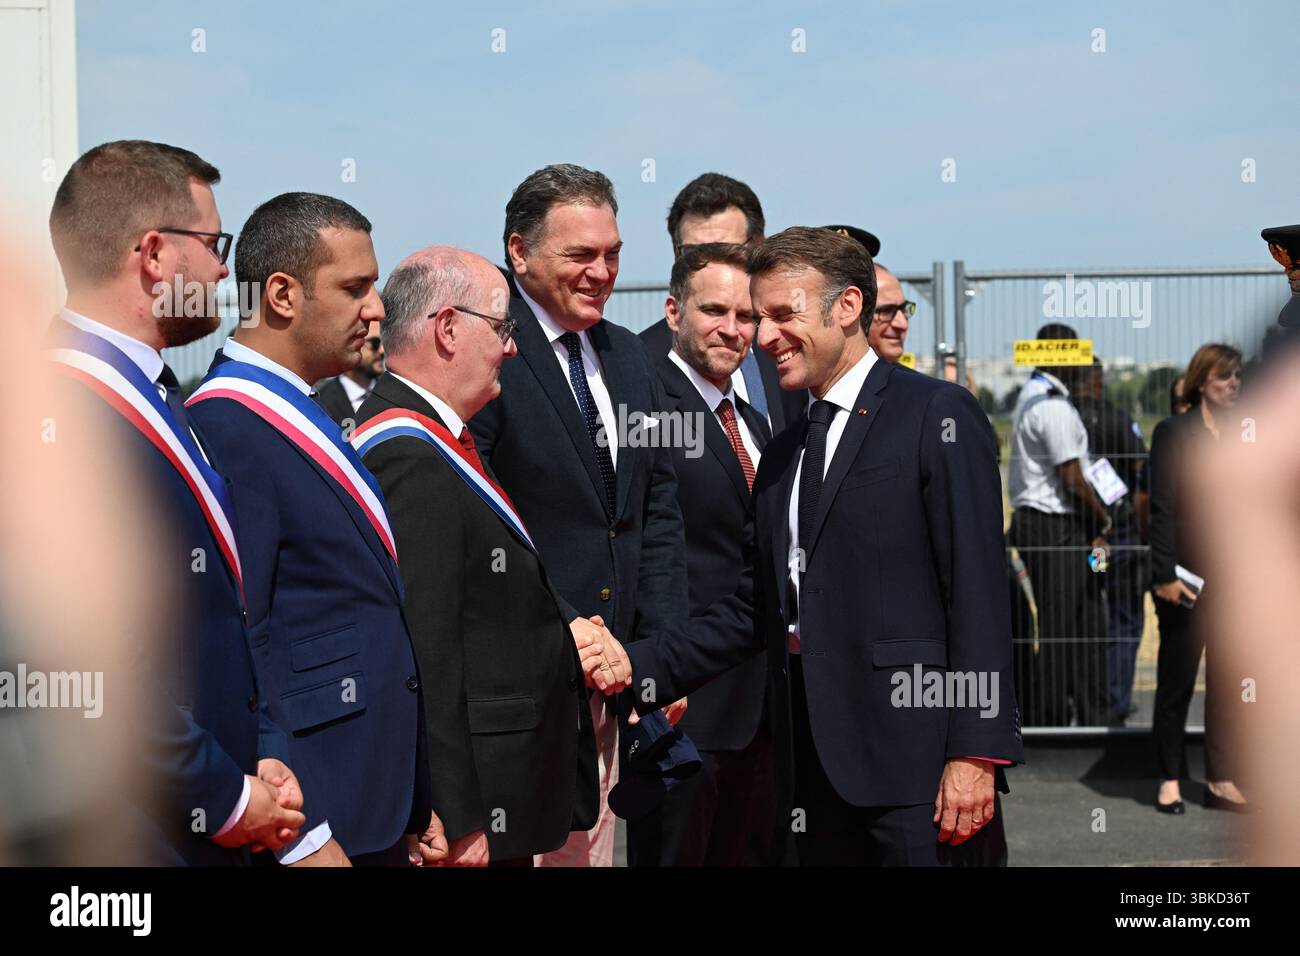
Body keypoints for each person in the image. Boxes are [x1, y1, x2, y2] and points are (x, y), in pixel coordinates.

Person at [626, 226, 1022, 866]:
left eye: (785, 314)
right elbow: (757, 607)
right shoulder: (782, 451)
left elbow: (977, 593)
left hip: (917, 774)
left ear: (847, 308)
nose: (765, 336)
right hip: (806, 775)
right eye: (761, 318)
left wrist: (975, 754)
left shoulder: (936, 415)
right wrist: (633, 666)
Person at [44, 140, 306, 864]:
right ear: (154, 254)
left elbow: (229, 606)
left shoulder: (161, 396)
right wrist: (222, 795)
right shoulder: (53, 410)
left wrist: (265, 758)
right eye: (214, 243)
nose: (226, 269)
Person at [186, 192, 438, 866]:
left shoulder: (305, 407)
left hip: (372, 796)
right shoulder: (227, 424)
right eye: (355, 287)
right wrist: (302, 832)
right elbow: (244, 640)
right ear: (282, 295)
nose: (377, 307)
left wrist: (414, 795)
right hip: (315, 808)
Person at [352, 246, 622, 866]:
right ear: (447, 328)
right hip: (474, 812)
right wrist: (457, 810)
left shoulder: (442, 438)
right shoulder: (407, 451)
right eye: (503, 328)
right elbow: (428, 647)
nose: (513, 348)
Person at [468, 164, 688, 867]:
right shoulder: (484, 355)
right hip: (523, 695)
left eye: (613, 254)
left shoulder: (629, 358)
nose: (601, 272)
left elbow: (655, 510)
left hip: (614, 692)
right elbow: (480, 522)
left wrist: (658, 656)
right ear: (519, 252)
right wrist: (570, 631)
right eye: (581, 255)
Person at [632, 243, 776, 866]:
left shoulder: (753, 418)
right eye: (714, 310)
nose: (732, 329)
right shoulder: (643, 405)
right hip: (685, 701)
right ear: (673, 311)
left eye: (746, 316)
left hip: (764, 705)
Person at [1149, 343, 1247, 814]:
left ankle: (1221, 778)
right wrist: (1164, 574)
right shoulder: (1174, 433)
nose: (1234, 385)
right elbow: (1162, 509)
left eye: (1238, 377)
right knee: (1176, 680)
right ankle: (1169, 777)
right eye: (1225, 376)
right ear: (1202, 380)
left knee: (1229, 682)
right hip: (1185, 577)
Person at [639, 172, 803, 434]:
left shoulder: (789, 347)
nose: (713, 267)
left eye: (728, 250)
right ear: (675, 254)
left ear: (759, 247)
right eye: (694, 253)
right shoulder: (641, 361)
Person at [1006, 323, 1112, 727]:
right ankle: (1051, 718)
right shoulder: (1051, 405)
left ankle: (1083, 712)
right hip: (1056, 526)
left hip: (1050, 524)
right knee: (1061, 629)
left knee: (1078, 623)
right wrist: (1103, 518)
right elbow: (1071, 477)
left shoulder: (1034, 397)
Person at [1071, 357, 1149, 725]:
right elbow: (1141, 475)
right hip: (1121, 539)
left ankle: (1086, 697)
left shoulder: (1065, 417)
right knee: (1125, 618)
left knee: (1089, 616)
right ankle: (1115, 701)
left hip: (1081, 540)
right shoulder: (1118, 419)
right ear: (1098, 381)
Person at [316, 329, 385, 425]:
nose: (382, 350)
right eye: (375, 343)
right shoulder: (321, 403)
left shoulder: (394, 393)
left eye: (384, 342)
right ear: (350, 347)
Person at [867, 262, 914, 364]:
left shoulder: (915, 380)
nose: (903, 325)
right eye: (887, 311)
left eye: (904, 309)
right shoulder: (831, 379)